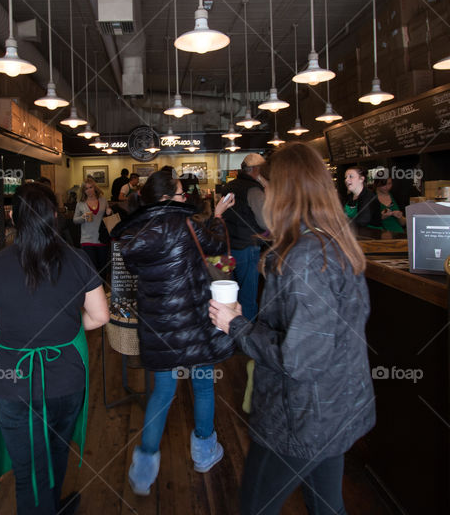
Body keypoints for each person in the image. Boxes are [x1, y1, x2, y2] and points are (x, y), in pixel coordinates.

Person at [209, 142, 376, 515]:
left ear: (282, 191)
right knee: (326, 505)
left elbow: (301, 360)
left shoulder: (305, 257)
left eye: (268, 188)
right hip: (336, 406)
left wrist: (236, 325)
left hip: (301, 416)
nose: (265, 197)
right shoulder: (334, 240)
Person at [0, 183, 110, 514]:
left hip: (13, 382)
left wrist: (16, 330)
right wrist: (67, 328)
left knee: (28, 472)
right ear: (53, 216)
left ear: (12, 217)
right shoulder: (76, 259)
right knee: (57, 452)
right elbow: (100, 316)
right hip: (66, 379)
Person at [110, 170, 237, 496]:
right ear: (167, 197)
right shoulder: (188, 224)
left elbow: (139, 270)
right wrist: (218, 216)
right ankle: (204, 453)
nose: (185, 198)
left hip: (159, 327)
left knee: (162, 394)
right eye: (181, 193)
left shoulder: (136, 233)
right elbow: (216, 245)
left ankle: (143, 470)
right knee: (204, 389)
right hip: (195, 323)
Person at [222, 153, 267, 321]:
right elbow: (265, 221)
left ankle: (230, 331)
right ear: (256, 169)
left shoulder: (228, 186)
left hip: (228, 248)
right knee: (248, 297)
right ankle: (246, 336)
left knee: (230, 296)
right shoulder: (254, 189)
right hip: (248, 247)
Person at [73, 177, 113, 279]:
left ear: (95, 187)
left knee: (103, 268)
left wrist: (109, 212)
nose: (89, 190)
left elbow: (108, 216)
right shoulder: (80, 203)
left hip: (101, 239)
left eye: (91, 187)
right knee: (92, 268)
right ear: (83, 191)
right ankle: (94, 292)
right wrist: (83, 217)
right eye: (86, 188)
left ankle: (103, 292)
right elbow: (75, 220)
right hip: (87, 239)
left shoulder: (103, 200)